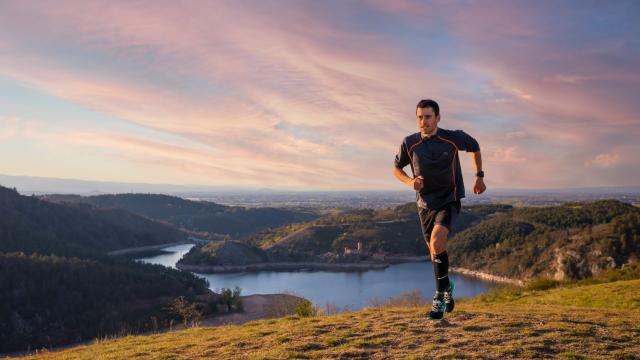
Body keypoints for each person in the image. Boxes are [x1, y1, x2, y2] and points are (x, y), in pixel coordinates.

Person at [393, 99, 486, 320]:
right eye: (419, 117)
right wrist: (409, 182)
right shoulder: (410, 143)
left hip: (449, 200)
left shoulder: (453, 138)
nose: (422, 121)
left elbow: (475, 147)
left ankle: (438, 298)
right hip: (424, 204)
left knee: (437, 241)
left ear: (437, 117)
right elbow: (396, 167)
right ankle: (447, 290)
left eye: (427, 116)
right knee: (434, 251)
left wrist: (479, 176)